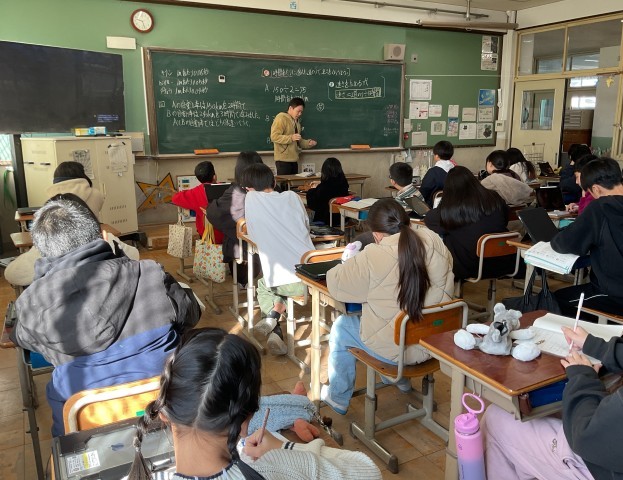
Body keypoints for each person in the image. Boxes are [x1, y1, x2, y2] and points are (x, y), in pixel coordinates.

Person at [12, 195, 201, 437]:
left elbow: (21, 338)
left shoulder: (31, 304)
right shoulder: (150, 274)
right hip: (170, 422)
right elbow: (191, 314)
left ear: (42, 254)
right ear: (103, 235)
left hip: (85, 438)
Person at [127, 327, 382, 480]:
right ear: (247, 418)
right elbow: (367, 471)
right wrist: (285, 447)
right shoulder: (269, 467)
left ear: (164, 412)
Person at [322, 199, 454, 414]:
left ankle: (337, 398)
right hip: (435, 344)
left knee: (341, 326)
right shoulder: (434, 240)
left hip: (396, 351)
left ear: (376, 234)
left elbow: (337, 286)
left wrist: (348, 261)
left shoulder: (372, 255)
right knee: (399, 317)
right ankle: (400, 381)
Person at [483, 325, 623, 479]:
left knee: (496, 417)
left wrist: (583, 378)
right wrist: (596, 347)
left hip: (599, 463)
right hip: (617, 442)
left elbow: (586, 435)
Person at [4, 161, 138, 287]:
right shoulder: (96, 195)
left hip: (57, 242)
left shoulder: (51, 197)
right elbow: (133, 255)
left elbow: (12, 274)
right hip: (91, 237)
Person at [551, 157, 623, 318]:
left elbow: (565, 243)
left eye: (589, 192)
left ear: (596, 189)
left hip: (616, 296)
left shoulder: (601, 208)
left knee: (555, 300)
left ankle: (604, 331)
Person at [243, 164, 314, 356]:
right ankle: (274, 320)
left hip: (286, 282)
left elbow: (253, 235)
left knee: (265, 284)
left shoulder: (251, 199)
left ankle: (274, 326)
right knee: (277, 283)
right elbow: (306, 226)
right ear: (274, 182)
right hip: (311, 274)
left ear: (249, 188)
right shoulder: (293, 197)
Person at [424, 166, 511, 280]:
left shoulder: (451, 207)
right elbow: (505, 220)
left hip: (471, 266)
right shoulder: (494, 197)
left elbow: (430, 220)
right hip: (505, 260)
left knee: (448, 235)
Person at [206, 151, 263, 287]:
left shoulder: (236, 192)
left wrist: (212, 205)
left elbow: (215, 214)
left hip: (245, 250)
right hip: (270, 245)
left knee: (234, 236)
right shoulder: (270, 188)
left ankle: (243, 281)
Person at [171, 160, 222, 242]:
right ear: (214, 176)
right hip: (228, 235)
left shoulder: (195, 193)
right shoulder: (227, 189)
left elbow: (175, 198)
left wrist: (185, 192)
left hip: (207, 236)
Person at [270, 97, 317, 176]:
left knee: (294, 182)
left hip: (294, 160)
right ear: (290, 108)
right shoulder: (281, 118)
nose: (300, 114)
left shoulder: (296, 122)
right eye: (298, 111)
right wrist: (291, 138)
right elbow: (274, 136)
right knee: (284, 183)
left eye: (301, 112)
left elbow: (298, 140)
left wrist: (308, 143)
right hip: (283, 161)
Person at [305, 157, 349, 225]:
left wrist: (311, 190)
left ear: (324, 171)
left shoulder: (324, 187)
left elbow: (313, 204)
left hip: (327, 220)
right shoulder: (344, 183)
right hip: (343, 219)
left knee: (307, 217)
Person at [419, 140, 455, 208]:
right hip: (453, 207)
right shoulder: (457, 170)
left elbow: (423, 193)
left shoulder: (433, 172)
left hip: (434, 208)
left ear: (437, 156)